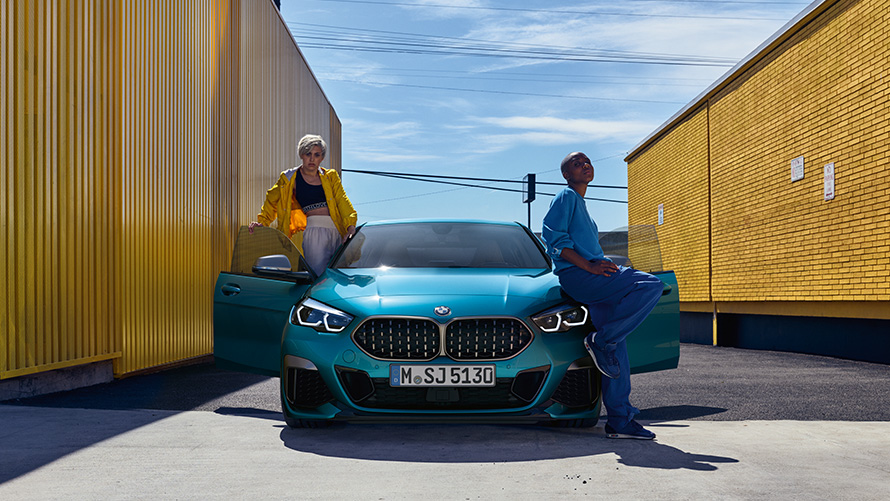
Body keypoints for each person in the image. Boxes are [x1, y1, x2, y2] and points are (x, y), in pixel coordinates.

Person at [542, 152, 663, 440]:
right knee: (651, 285)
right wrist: (590, 265)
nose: (584, 165)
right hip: (581, 277)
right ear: (566, 175)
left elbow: (585, 248)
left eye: (587, 162)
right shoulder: (566, 197)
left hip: (592, 276)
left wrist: (598, 259)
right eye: (576, 163)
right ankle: (602, 339)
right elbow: (553, 240)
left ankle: (620, 420)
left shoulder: (581, 205)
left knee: (616, 352)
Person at [249, 134, 357, 275]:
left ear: (322, 158)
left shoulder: (330, 177)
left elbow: (343, 200)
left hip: (337, 230)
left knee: (339, 274)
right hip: (314, 232)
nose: (312, 159)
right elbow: (272, 199)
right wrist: (263, 222)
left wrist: (350, 226)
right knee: (317, 275)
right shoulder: (289, 178)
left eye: (317, 155)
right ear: (301, 155)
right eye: (308, 154)